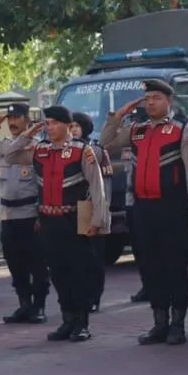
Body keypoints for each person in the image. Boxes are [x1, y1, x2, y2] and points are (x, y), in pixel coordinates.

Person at [101, 79, 188, 346]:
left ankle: (177, 323)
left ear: (168, 101)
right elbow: (105, 141)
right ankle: (159, 322)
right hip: (143, 208)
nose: (150, 103)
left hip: (172, 207)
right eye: (147, 98)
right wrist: (119, 116)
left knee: (173, 265)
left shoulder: (182, 129)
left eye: (156, 98)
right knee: (150, 266)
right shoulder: (137, 130)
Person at [8, 106, 106, 342]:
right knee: (59, 272)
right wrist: (29, 133)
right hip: (48, 220)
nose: (49, 127)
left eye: (53, 123)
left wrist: (98, 220)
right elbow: (10, 155)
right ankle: (67, 320)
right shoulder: (40, 150)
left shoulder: (82, 150)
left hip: (72, 219)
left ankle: (81, 322)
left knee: (77, 272)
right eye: (47, 123)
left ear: (66, 124)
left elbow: (97, 187)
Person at [0, 103, 50, 324]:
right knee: (15, 263)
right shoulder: (2, 147)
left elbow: (45, 184)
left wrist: (40, 215)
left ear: (28, 120)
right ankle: (24, 304)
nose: (12, 123)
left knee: (37, 263)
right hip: (8, 214)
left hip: (31, 214)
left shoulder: (38, 148)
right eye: (10, 119)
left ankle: (39, 306)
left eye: (17, 118)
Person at [71, 111, 112, 313]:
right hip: (70, 208)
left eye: (76, 126)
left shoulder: (92, 148)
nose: (73, 130)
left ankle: (94, 297)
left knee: (94, 257)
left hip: (91, 206)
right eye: (70, 127)